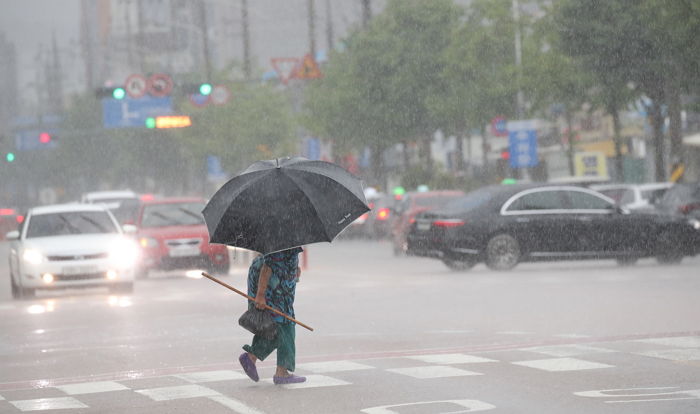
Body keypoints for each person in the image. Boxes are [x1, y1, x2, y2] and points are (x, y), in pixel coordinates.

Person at [238, 247, 306, 384]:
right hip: (273, 291)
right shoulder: (283, 239)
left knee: (276, 328)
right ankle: (280, 371)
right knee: (283, 327)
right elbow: (267, 267)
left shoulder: (287, 238)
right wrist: (261, 295)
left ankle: (254, 358)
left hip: (278, 289)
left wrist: (294, 271)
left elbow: (283, 263)